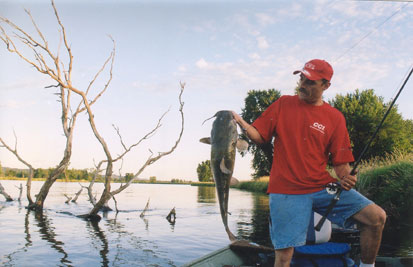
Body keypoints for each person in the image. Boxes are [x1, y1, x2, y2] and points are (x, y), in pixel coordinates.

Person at [232, 59, 386, 267]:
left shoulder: (335, 117)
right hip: (286, 189)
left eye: (311, 82)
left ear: (326, 86)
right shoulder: (283, 104)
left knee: (376, 217)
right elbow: (260, 137)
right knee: (284, 255)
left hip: (322, 186)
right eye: (302, 78)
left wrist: (347, 177)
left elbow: (341, 164)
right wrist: (242, 124)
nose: (303, 84)